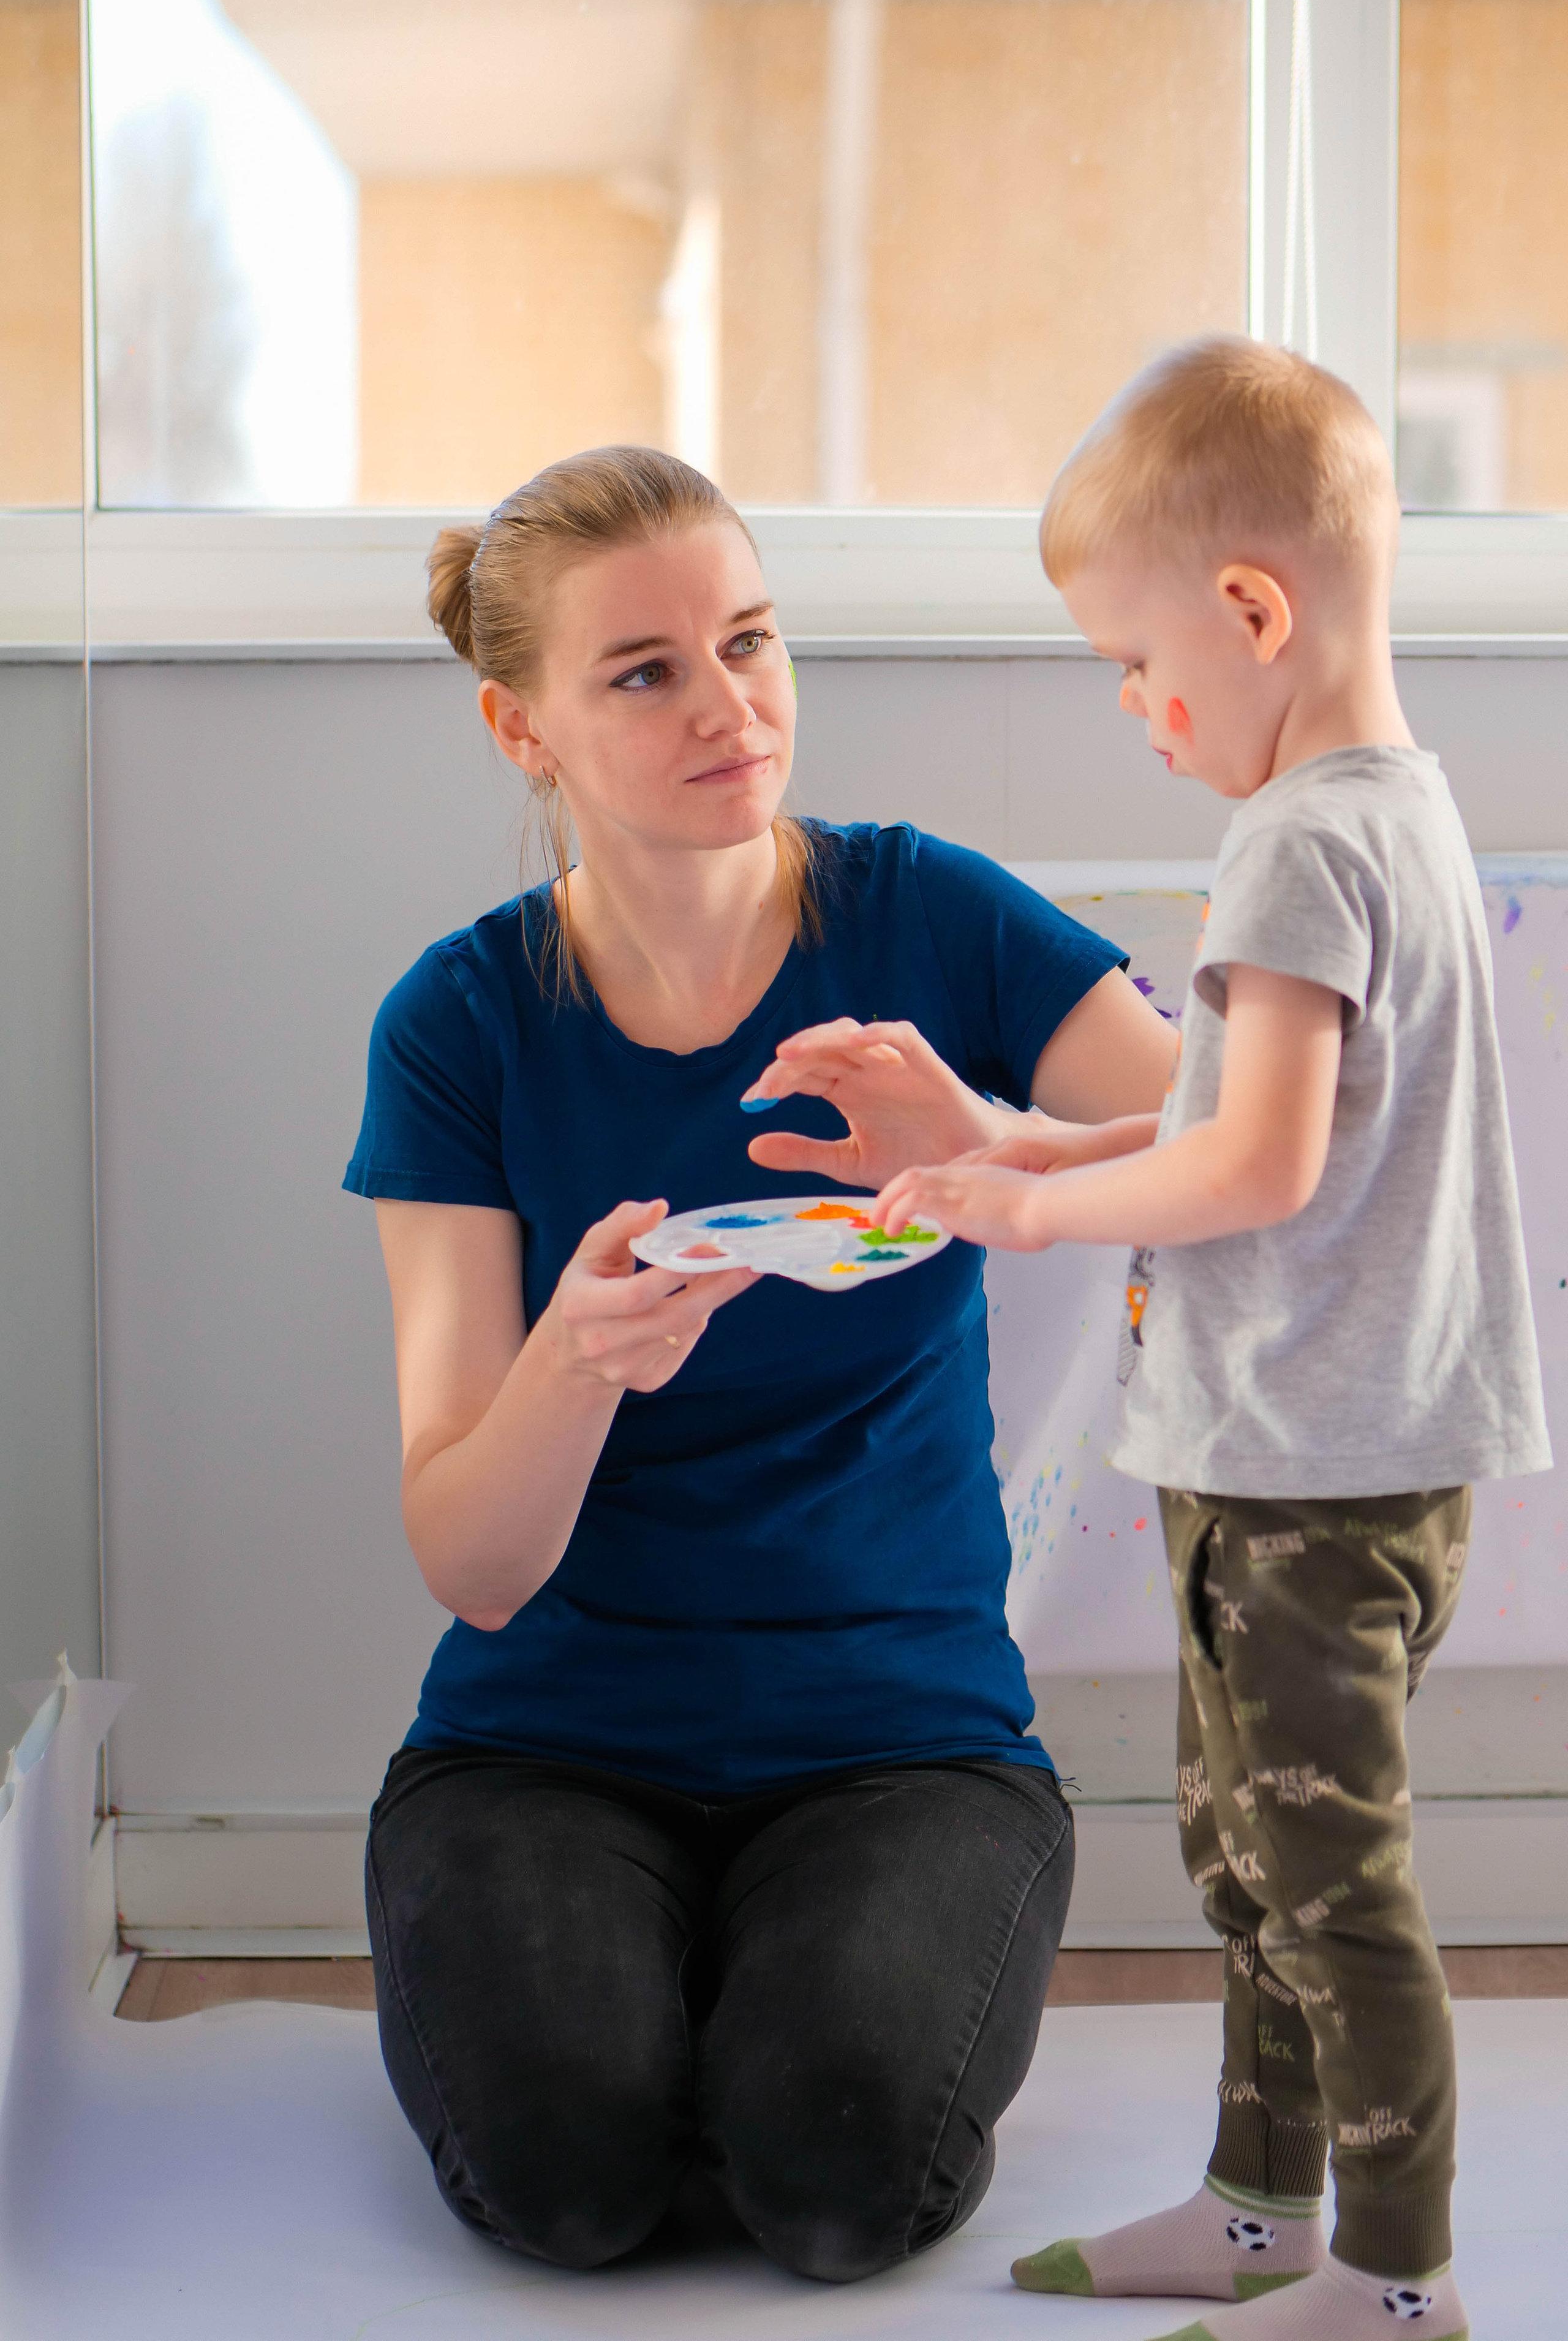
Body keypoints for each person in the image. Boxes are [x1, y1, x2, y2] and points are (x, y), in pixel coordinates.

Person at [342, 444, 1176, 2281]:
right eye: (645, 671)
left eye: (750, 641)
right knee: (563, 2184)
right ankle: (664, 1996)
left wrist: (989, 1140)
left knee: (839, 2180)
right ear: (522, 725)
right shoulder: (462, 1027)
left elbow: (1270, 1164)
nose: (732, 708)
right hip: (546, 1746)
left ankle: (761, 2001)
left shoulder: (929, 918)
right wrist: (572, 1358)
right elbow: (473, 1563)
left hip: (904, 1744)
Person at [871, 339, 1550, 2341]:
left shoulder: (1292, 842)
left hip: (1302, 1480)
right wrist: (1034, 1134)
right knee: (1253, 1864)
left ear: (1252, 611)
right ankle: (1263, 2210)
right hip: (1341, 1464)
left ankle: (1398, 2279)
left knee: (1332, 1898)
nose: (1136, 711)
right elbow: (1269, 1112)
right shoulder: (1397, 808)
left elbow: (1250, 1167)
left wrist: (1029, 1213)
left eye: (1136, 662)